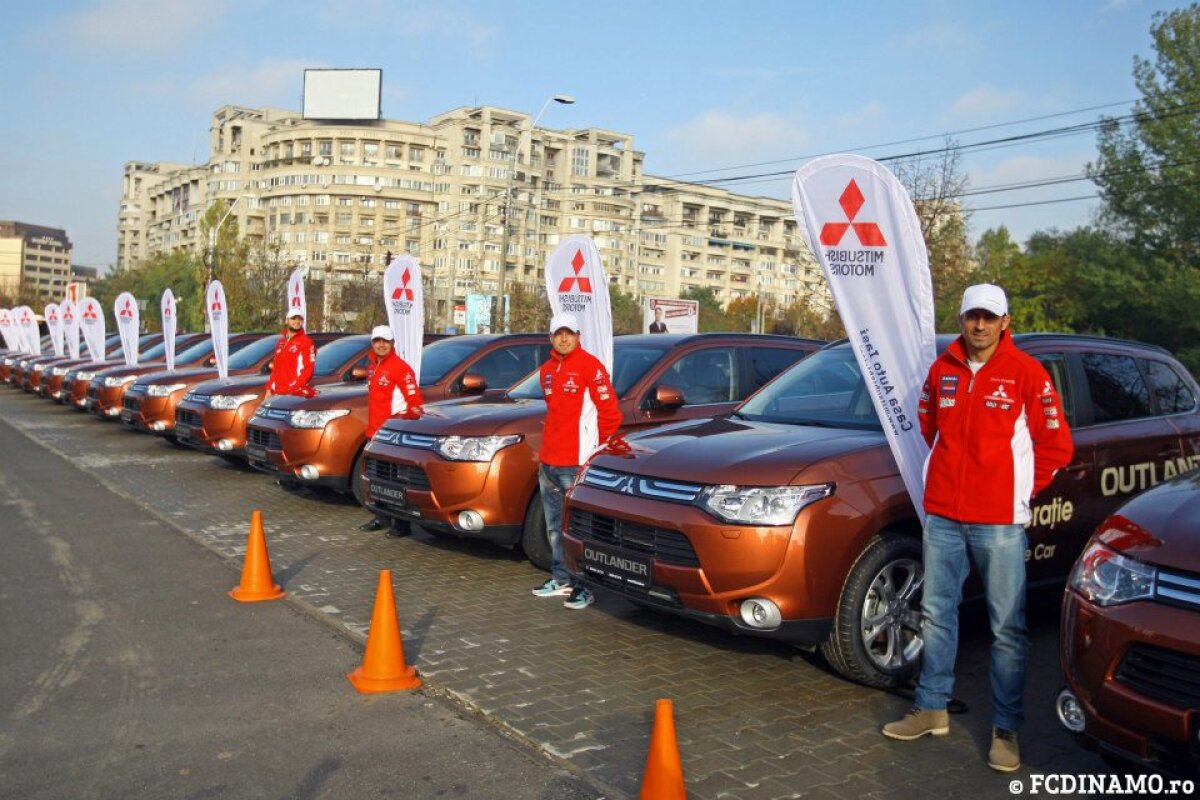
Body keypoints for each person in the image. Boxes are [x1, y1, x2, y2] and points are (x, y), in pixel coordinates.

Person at [882, 284, 1074, 773]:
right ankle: (931, 708)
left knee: (1006, 628)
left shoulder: (1027, 374)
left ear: (1005, 321)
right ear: (962, 318)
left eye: (990, 317)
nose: (980, 326)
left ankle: (1006, 729)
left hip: (1000, 524)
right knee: (936, 614)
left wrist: (1019, 492)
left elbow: (1057, 446)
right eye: (972, 316)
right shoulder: (942, 370)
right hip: (944, 514)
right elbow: (929, 426)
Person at [530, 312, 622, 610]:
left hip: (576, 463)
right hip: (550, 463)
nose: (564, 338)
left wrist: (595, 452)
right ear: (551, 338)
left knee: (578, 530)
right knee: (554, 527)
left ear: (579, 336)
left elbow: (610, 413)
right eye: (558, 334)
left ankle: (584, 587)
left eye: (569, 333)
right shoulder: (546, 370)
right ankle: (561, 578)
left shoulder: (590, 366)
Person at [359, 325, 423, 534]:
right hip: (375, 432)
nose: (381, 345)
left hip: (392, 434)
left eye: (385, 341)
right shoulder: (372, 366)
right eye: (378, 341)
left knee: (394, 481)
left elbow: (415, 403)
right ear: (372, 343)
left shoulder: (400, 367)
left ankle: (402, 524)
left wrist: (404, 429)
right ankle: (382, 518)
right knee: (376, 479)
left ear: (392, 343)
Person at [263, 310, 316, 402]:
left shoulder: (306, 342)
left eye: (300, 319)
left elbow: (308, 370)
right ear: (287, 321)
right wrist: (269, 388)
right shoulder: (281, 342)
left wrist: (293, 388)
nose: (297, 321)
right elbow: (276, 368)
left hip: (295, 394)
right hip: (278, 393)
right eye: (293, 318)